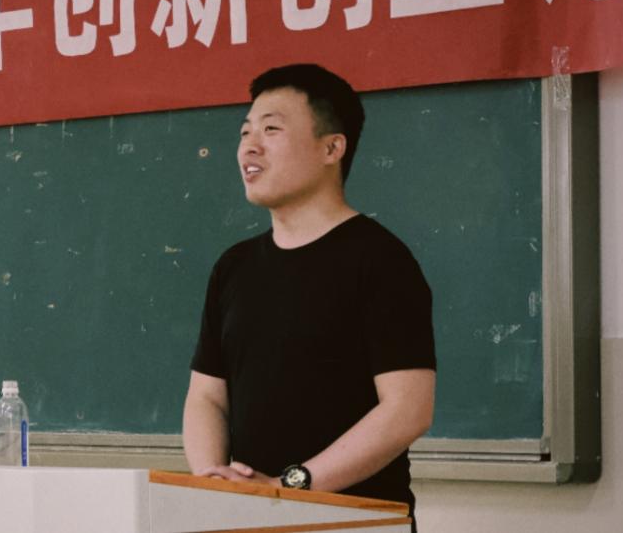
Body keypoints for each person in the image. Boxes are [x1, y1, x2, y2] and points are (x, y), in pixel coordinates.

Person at [182, 63, 436, 527]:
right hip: (253, 518)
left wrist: (290, 486)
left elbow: (408, 409)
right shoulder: (233, 267)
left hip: (356, 523)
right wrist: (212, 480)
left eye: (271, 129)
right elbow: (207, 397)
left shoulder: (380, 260)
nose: (249, 146)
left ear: (331, 148)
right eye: (245, 132)